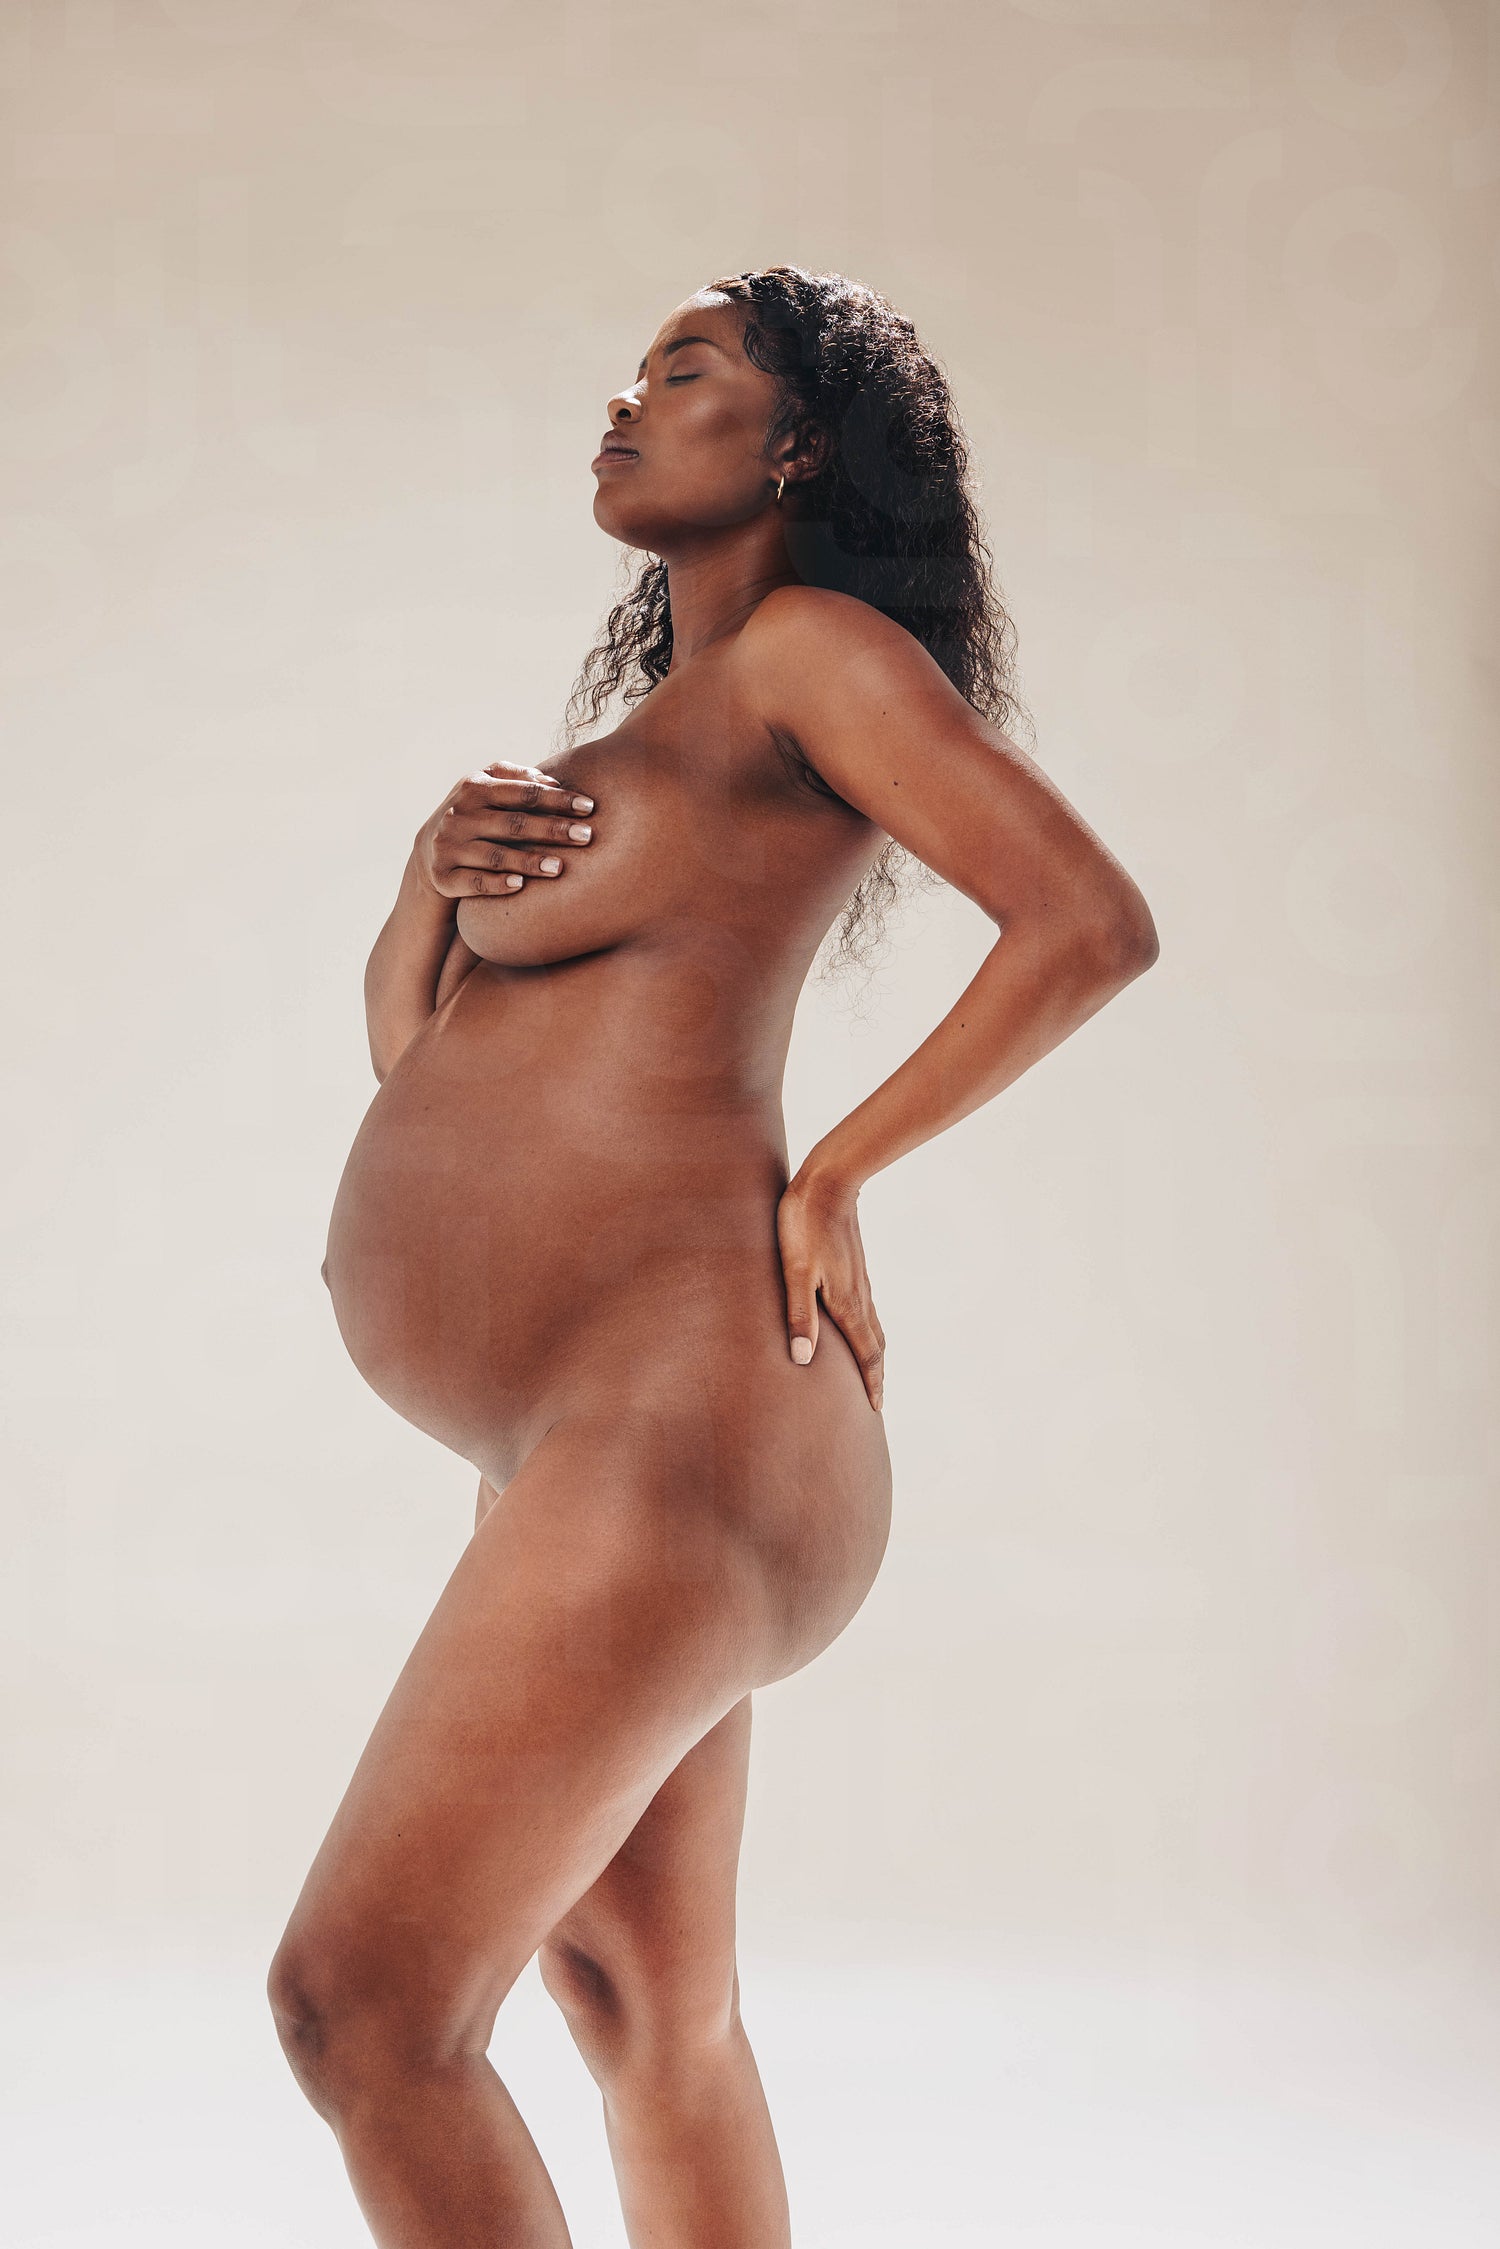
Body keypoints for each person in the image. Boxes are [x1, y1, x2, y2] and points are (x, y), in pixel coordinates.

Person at [267, 264, 1158, 2247]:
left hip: (679, 1424)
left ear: (797, 444)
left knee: (363, 2006)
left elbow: (1088, 921)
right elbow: (435, 1077)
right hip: (573, 1445)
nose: (626, 398)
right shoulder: (648, 733)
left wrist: (836, 1173)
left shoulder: (812, 655)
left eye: (682, 371)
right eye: (628, 371)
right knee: (638, 2004)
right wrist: (423, 886)